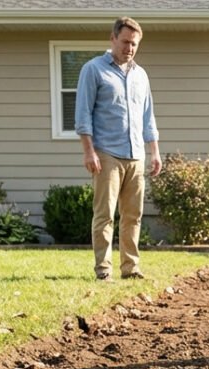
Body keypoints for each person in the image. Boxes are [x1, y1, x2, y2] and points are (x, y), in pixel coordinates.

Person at [75, 17, 162, 281]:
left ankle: (131, 268)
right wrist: (88, 151)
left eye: (134, 44)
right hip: (106, 153)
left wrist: (154, 151)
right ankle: (103, 270)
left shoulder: (141, 75)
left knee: (133, 216)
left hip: (136, 154)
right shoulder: (94, 70)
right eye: (125, 42)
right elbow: (83, 114)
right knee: (104, 215)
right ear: (112, 38)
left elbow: (148, 116)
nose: (129, 48)